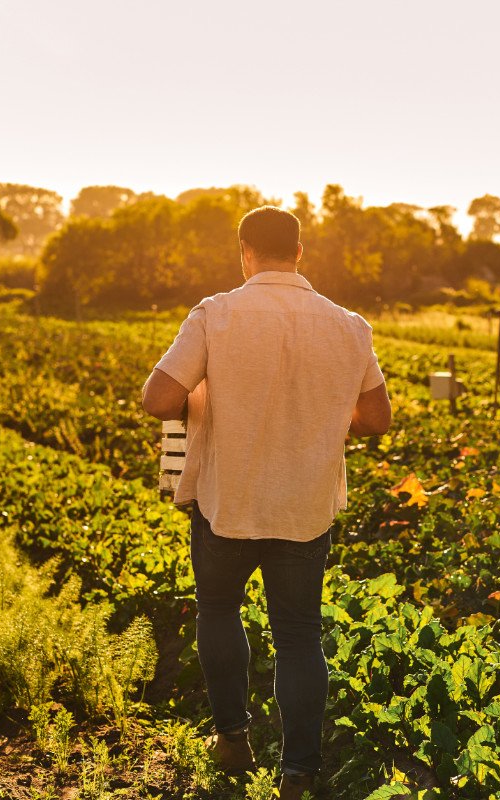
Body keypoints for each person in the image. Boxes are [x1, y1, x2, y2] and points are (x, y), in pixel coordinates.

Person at [141, 206, 392, 799]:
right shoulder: (348, 325)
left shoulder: (215, 314)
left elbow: (158, 399)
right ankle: (299, 772)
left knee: (219, 611)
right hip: (304, 509)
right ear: (300, 253)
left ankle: (233, 739)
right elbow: (377, 418)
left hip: (226, 502)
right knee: (301, 637)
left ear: (245, 252)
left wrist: (203, 401)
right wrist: (325, 416)